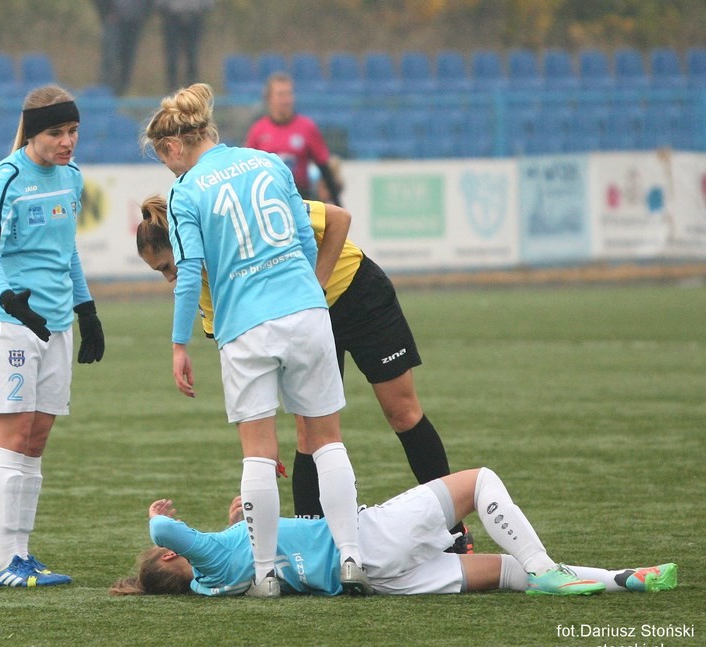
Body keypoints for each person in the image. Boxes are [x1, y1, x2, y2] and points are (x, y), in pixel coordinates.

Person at [136, 195, 472, 552]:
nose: (170, 279)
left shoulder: (240, 211)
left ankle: (453, 530)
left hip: (357, 294)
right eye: (161, 272)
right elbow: (238, 350)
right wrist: (259, 430)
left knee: (402, 413)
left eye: (167, 266)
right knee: (308, 434)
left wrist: (315, 287)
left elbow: (339, 219)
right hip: (303, 324)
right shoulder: (203, 280)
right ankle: (312, 551)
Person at [141, 82, 372, 598]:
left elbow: (190, 270)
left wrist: (179, 344)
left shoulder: (186, 191)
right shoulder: (268, 162)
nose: (168, 170)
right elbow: (303, 237)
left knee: (259, 455)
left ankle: (265, 574)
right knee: (328, 439)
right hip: (305, 310)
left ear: (173, 147)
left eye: (163, 159)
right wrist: (304, 295)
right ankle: (352, 558)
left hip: (245, 326)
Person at [110, 467, 679, 597]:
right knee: (481, 481)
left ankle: (622, 578)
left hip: (380, 581)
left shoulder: (214, 583)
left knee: (509, 574)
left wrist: (245, 520)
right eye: (169, 548)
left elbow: (269, 550)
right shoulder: (210, 559)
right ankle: (550, 568)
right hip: (368, 540)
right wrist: (158, 515)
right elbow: (164, 525)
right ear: (170, 557)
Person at [0, 84, 106, 588]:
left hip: (55, 325)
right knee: (12, 437)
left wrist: (86, 309)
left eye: (73, 131)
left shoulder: (72, 178)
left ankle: (23, 554)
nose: (67, 141)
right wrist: (10, 299)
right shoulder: (5, 178)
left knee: (36, 437)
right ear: (32, 133)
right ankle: (5, 560)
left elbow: (68, 250)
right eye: (56, 133)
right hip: (9, 322)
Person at [244, 72, 341, 205]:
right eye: (281, 94)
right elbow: (248, 172)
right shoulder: (258, 130)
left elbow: (324, 167)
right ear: (269, 98)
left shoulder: (307, 127)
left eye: (289, 94)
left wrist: (338, 204)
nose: (286, 100)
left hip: (300, 199)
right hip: (268, 200)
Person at [94, 0, 152, 95]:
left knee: (128, 58)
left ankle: (122, 91)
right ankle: (105, 91)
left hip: (134, 20)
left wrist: (144, 15)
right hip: (113, 20)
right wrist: (106, 13)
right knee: (110, 56)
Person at [156, 0, 214, 91]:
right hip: (172, 18)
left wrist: (202, 9)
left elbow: (208, 4)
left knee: (192, 54)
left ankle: (192, 88)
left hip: (194, 17)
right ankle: (172, 87)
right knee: (172, 55)